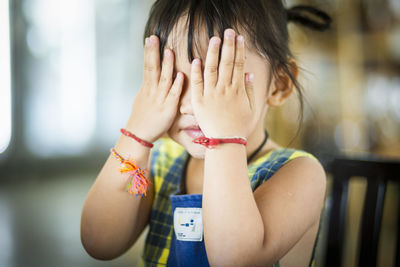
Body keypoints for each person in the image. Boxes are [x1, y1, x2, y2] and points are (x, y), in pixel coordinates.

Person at [81, 1, 331, 266]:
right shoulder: (161, 162)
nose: (192, 105)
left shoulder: (299, 173)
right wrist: (135, 133)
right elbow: (99, 241)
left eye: (219, 81)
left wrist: (223, 136)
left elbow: (234, 259)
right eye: (174, 80)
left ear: (278, 85)